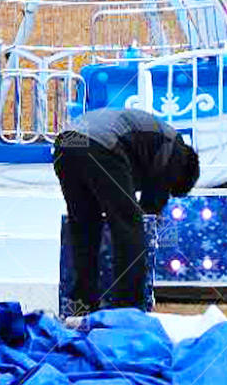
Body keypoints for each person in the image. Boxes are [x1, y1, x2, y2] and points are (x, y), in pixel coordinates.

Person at [54, 107, 200, 313]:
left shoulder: (154, 140)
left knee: (85, 226)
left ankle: (82, 306)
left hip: (65, 143)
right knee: (130, 225)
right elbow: (149, 211)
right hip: (100, 143)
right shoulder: (177, 151)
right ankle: (129, 307)